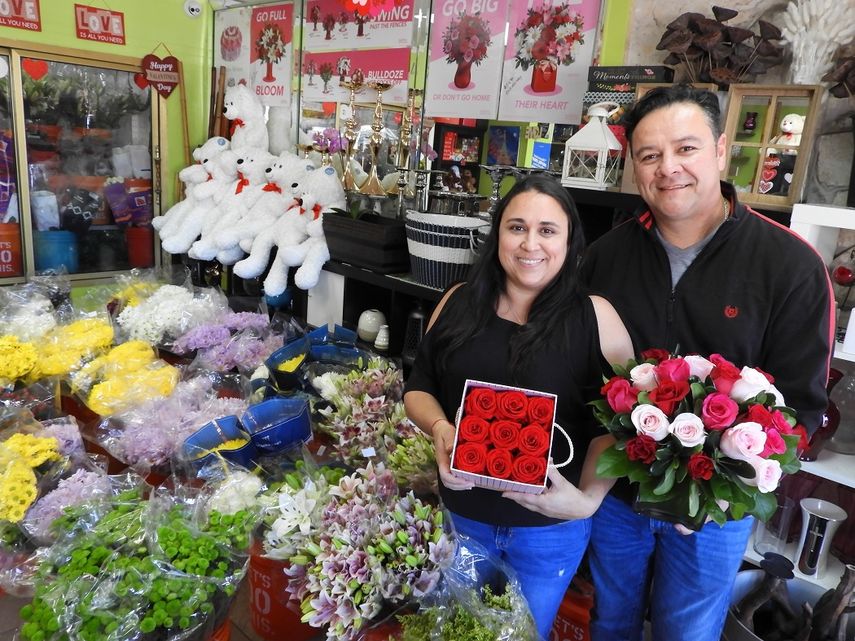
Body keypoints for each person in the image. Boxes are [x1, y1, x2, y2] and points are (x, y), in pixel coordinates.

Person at [577, 84, 835, 641]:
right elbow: (579, 369)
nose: (668, 168)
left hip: (714, 508)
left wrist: (725, 482)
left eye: (686, 149)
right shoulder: (604, 258)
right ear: (634, 166)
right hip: (614, 494)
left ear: (720, 150)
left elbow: (800, 410)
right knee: (610, 620)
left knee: (687, 629)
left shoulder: (789, 265)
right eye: (649, 155)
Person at [403, 174, 634, 640]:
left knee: (527, 634)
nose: (531, 243)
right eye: (517, 227)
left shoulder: (596, 317)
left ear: (570, 242)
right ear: (498, 234)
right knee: (447, 632)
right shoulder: (458, 302)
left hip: (548, 532)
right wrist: (440, 427)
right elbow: (418, 387)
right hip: (461, 518)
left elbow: (624, 424)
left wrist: (587, 500)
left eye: (548, 230)